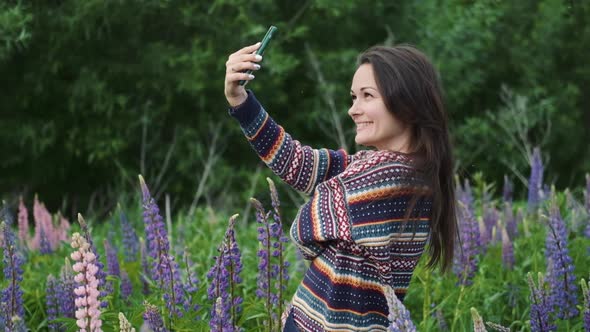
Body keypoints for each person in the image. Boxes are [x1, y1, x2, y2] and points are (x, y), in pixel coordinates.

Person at [224, 42, 457, 332]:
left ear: (408, 104)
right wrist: (240, 100)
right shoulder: (399, 169)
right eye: (353, 97)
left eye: (367, 96)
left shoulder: (388, 178)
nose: (352, 110)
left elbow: (303, 228)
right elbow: (299, 162)